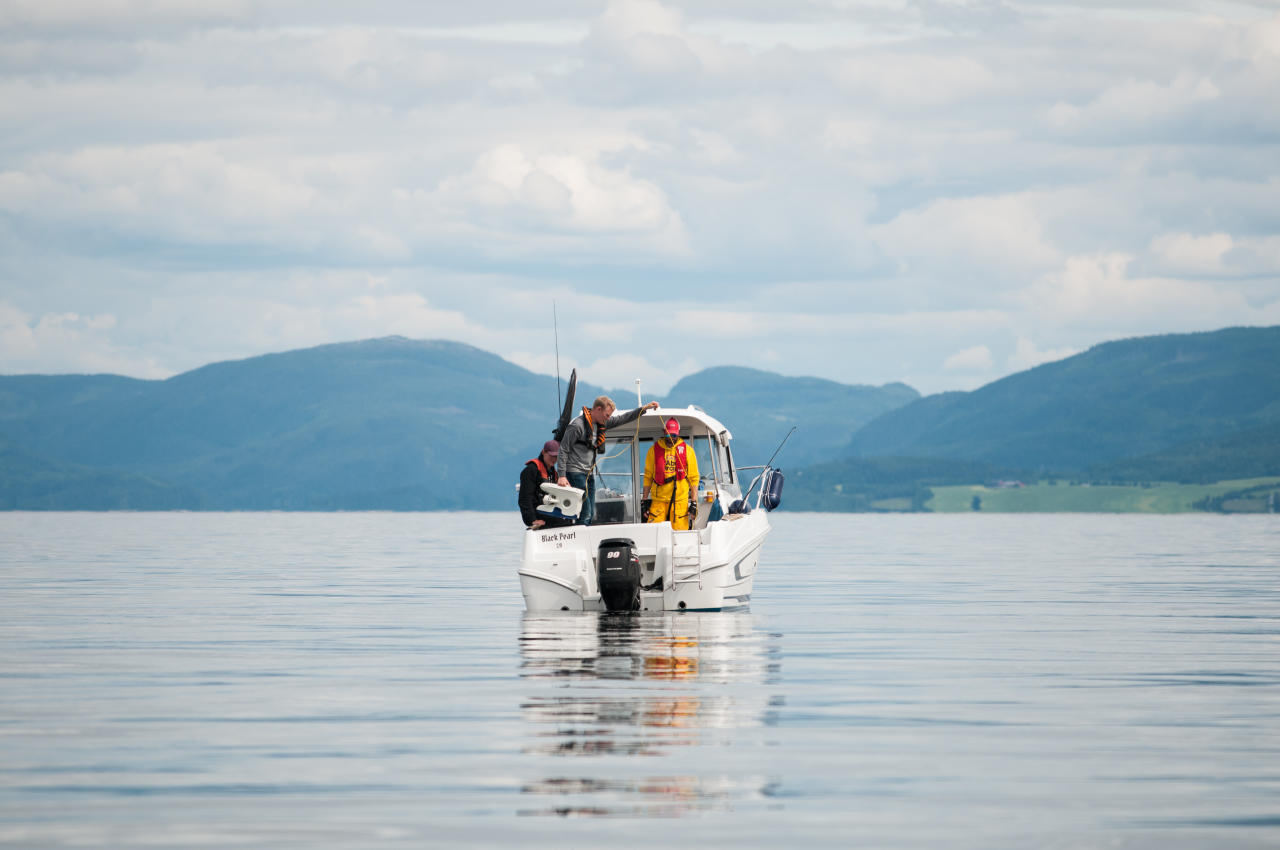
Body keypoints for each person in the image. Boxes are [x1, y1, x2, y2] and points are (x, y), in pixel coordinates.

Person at [557, 395, 659, 525]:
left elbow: (623, 418)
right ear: (598, 409)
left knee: (591, 512)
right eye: (607, 415)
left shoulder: (602, 424)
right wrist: (561, 476)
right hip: (575, 472)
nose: (608, 418)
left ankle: (585, 533)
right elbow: (563, 450)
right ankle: (581, 537)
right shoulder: (577, 426)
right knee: (586, 511)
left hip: (588, 472)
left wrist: (644, 409)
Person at [643, 417, 700, 530]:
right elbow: (648, 477)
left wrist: (693, 503)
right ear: (664, 433)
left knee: (680, 535)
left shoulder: (688, 451)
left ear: (678, 434)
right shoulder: (653, 451)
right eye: (669, 435)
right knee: (653, 532)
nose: (671, 438)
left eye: (674, 435)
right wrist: (644, 501)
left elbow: (694, 478)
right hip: (659, 500)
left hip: (680, 501)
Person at [519, 440, 571, 530]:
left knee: (571, 522)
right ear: (544, 452)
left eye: (556, 457)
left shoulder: (553, 472)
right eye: (551, 456)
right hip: (538, 515)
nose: (554, 459)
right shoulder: (530, 470)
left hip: (549, 512)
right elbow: (525, 498)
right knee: (566, 525)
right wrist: (532, 520)